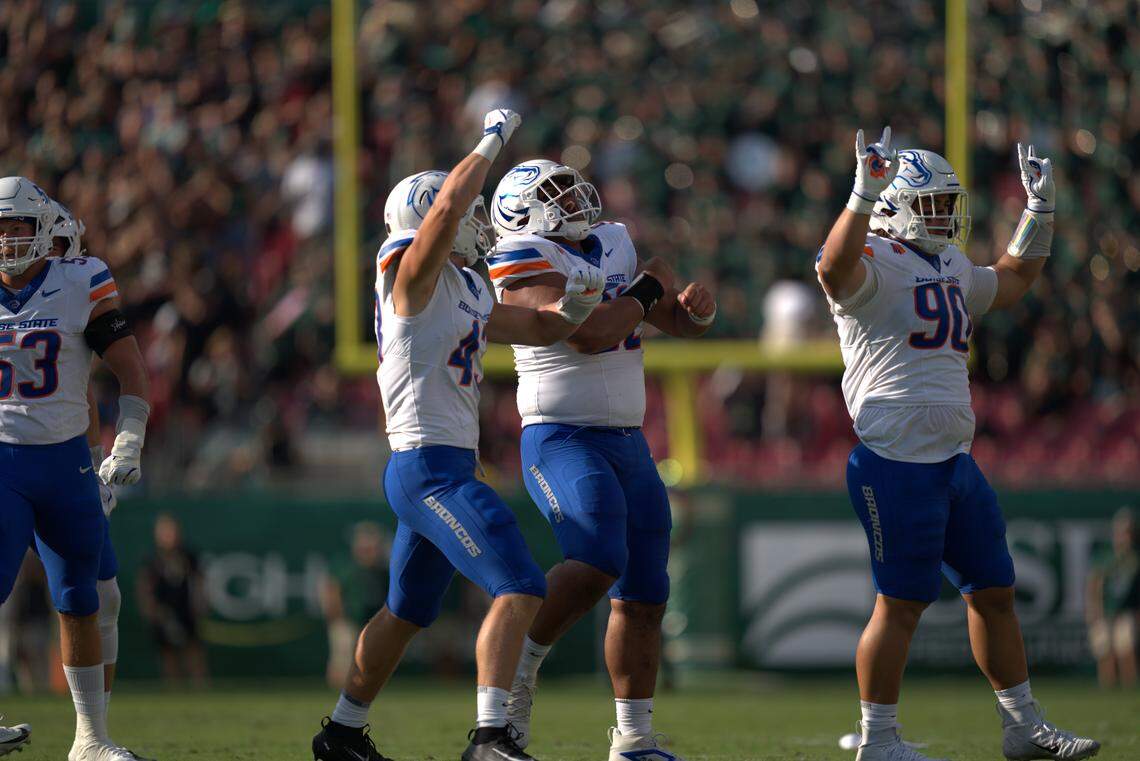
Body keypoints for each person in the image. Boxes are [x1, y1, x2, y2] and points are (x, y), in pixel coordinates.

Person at [311, 110, 604, 761]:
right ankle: (491, 736)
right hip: (427, 467)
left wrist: (579, 302)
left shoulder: (464, 286)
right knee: (521, 584)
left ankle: (341, 731)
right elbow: (445, 213)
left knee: (405, 610)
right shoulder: (407, 276)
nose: (476, 222)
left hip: (443, 465)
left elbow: (540, 330)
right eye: (464, 210)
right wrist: (491, 139)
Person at [816, 128, 1099, 761]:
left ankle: (1022, 728)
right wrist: (862, 193)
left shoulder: (946, 263)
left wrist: (1039, 211)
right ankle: (878, 740)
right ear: (895, 207)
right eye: (934, 204)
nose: (946, 217)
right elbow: (833, 269)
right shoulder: (871, 262)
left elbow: (1012, 278)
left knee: (994, 592)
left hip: (954, 460)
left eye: (950, 203)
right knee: (901, 604)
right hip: (894, 461)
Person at [489, 159, 717, 761]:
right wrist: (648, 285)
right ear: (521, 212)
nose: (572, 198)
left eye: (570, 187)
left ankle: (634, 739)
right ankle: (519, 671)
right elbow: (586, 332)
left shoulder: (612, 240)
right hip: (561, 435)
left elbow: (668, 321)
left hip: (629, 439)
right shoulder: (521, 255)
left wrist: (694, 310)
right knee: (596, 557)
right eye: (555, 194)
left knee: (646, 593)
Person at [0, 177, 151, 760]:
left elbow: (123, 370)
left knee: (82, 597)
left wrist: (124, 443)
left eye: (18, 227)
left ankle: (91, 740)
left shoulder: (78, 282)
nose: (9, 241)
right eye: (1, 229)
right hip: (5, 460)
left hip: (65, 464)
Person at [136, 514, 208, 687]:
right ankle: (173, 689)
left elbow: (199, 581)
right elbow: (144, 587)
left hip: (186, 610)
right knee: (167, 653)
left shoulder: (188, 556)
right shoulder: (152, 560)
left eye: (172, 531)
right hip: (163, 613)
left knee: (193, 649)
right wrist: (151, 609)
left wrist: (200, 603)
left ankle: (200, 688)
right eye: (165, 532)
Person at [321, 522, 391, 689]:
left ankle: (358, 689)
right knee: (343, 655)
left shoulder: (381, 568)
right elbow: (331, 588)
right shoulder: (344, 565)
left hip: (371, 619)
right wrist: (334, 611)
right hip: (347, 617)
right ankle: (339, 690)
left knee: (368, 657)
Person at [1086, 506, 1139, 688]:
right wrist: (1094, 609)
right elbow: (1094, 584)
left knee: (1126, 650)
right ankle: (1107, 687)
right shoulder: (1106, 556)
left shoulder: (1134, 557)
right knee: (1105, 652)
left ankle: (1128, 687)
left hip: (1126, 611)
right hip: (1105, 609)